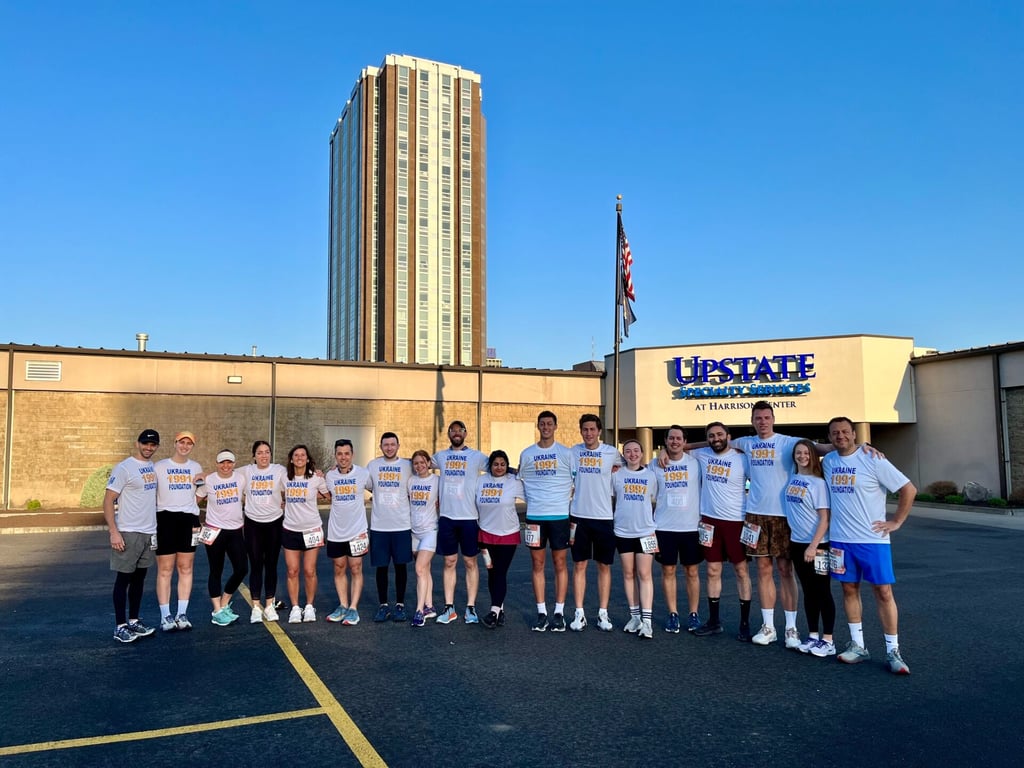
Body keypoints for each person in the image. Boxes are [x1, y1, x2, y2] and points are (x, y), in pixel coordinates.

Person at [824, 416, 916, 675]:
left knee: (883, 592)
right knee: (848, 590)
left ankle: (893, 651)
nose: (840, 436)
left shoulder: (873, 459)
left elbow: (908, 489)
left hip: (872, 540)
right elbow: (812, 448)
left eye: (845, 431)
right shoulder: (829, 461)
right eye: (835, 433)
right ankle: (858, 645)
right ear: (829, 437)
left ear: (854, 434)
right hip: (841, 539)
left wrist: (897, 521)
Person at [691, 422, 754, 641]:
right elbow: (678, 449)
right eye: (711, 436)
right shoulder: (702, 454)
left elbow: (759, 482)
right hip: (709, 521)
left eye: (719, 434)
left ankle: (744, 623)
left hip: (736, 521)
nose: (715, 439)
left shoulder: (742, 458)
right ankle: (714, 621)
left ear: (729, 436)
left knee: (741, 571)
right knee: (712, 570)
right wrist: (662, 454)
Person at [517, 410, 575, 632]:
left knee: (560, 563)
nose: (546, 427)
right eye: (542, 424)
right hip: (535, 517)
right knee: (537, 564)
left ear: (555, 426)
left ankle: (559, 612)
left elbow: (577, 480)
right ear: (538, 426)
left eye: (550, 424)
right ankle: (541, 612)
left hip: (559, 516)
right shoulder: (527, 454)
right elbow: (519, 480)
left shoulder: (566, 453)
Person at [568, 414, 623, 632]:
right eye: (585, 429)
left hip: (603, 517)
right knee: (579, 565)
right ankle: (579, 613)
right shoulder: (573, 452)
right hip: (578, 516)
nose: (589, 433)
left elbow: (630, 465)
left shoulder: (612, 453)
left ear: (599, 431)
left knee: (603, 566)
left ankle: (602, 613)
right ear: (581, 431)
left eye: (592, 429)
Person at [105, 428, 160, 643]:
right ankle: (120, 626)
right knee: (124, 579)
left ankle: (134, 621)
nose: (149, 448)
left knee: (139, 579)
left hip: (148, 532)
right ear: (138, 443)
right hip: (128, 531)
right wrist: (114, 532)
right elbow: (108, 500)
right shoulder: (124, 468)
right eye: (145, 443)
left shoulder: (153, 467)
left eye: (153, 445)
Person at [784, 439, 836, 656]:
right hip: (797, 543)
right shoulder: (793, 478)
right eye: (799, 452)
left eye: (806, 453)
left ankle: (828, 640)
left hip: (818, 545)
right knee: (808, 591)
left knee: (823, 591)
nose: (802, 456)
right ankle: (813, 635)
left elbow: (825, 518)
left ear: (813, 456)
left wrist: (813, 546)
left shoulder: (818, 483)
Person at [433, 420, 488, 625]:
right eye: (453, 430)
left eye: (460, 430)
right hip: (447, 518)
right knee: (449, 562)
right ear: (448, 434)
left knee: (470, 562)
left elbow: (498, 466)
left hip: (469, 518)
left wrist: (520, 472)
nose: (456, 433)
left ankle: (470, 607)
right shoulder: (441, 456)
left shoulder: (476, 456)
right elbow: (417, 462)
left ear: (465, 434)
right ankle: (449, 608)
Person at [651, 425, 703, 633]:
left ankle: (693, 613)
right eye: (671, 438)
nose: (674, 442)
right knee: (668, 570)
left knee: (692, 571)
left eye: (678, 438)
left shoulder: (695, 463)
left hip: (691, 526)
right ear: (665, 441)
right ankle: (673, 613)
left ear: (685, 441)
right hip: (664, 526)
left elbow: (711, 445)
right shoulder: (655, 464)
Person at [154, 431, 203, 632]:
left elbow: (201, 491)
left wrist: (191, 507)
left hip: (189, 520)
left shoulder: (196, 467)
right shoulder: (160, 467)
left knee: (186, 567)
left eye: (189, 443)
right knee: (165, 569)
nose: (185, 446)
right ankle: (165, 616)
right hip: (165, 519)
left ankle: (181, 614)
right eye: (182, 442)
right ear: (175, 443)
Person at [195, 450, 248, 626]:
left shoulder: (240, 478)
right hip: (214, 530)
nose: (226, 466)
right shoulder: (209, 480)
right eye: (222, 462)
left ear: (234, 464)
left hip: (235, 530)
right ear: (216, 464)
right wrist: (194, 521)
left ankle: (224, 603)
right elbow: (194, 500)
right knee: (215, 570)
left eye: (229, 462)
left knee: (242, 569)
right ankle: (217, 611)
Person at [613, 440, 659, 639]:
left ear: (642, 453)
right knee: (628, 573)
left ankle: (647, 622)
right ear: (623, 454)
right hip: (623, 531)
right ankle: (634, 617)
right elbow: (611, 498)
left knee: (644, 574)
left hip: (646, 531)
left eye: (636, 451)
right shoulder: (616, 475)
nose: (632, 454)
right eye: (628, 451)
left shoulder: (651, 475)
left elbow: (657, 499)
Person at [366, 432, 414, 623]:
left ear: (398, 446)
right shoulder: (373, 465)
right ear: (380, 447)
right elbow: (363, 482)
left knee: (401, 567)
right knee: (382, 568)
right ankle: (383, 605)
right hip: (380, 526)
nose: (389, 448)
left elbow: (423, 474)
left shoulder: (407, 465)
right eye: (385, 445)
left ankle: (400, 605)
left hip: (401, 525)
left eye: (392, 444)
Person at [475, 450, 525, 629]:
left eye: (503, 464)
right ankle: (499, 610)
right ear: (490, 465)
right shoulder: (480, 481)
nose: (499, 467)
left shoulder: (514, 482)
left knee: (500, 572)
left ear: (507, 466)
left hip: (508, 535)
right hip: (485, 534)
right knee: (491, 572)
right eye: (496, 464)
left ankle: (493, 611)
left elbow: (533, 495)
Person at [323, 439, 371, 625]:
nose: (343, 457)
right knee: (339, 568)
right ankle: (343, 605)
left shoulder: (363, 474)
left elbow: (380, 488)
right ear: (335, 455)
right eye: (340, 454)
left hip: (357, 530)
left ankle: (353, 608)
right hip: (336, 532)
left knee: (356, 568)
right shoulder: (329, 476)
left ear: (352, 454)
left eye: (347, 453)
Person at [281, 445, 329, 623]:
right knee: (292, 570)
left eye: (303, 455)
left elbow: (328, 495)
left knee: (309, 570)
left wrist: (328, 473)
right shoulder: (284, 477)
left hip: (312, 529)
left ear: (308, 459)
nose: (299, 458)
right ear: (291, 459)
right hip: (290, 529)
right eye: (296, 455)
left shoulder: (316, 478)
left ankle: (309, 606)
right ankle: (295, 607)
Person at [241, 441, 287, 623]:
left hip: (274, 522)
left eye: (267, 452)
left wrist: (319, 473)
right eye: (259, 452)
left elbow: (299, 477)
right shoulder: (246, 471)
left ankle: (269, 605)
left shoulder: (279, 470)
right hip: (253, 523)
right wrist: (202, 475)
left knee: (271, 565)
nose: (264, 456)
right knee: (256, 565)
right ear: (254, 456)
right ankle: (255, 607)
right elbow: (224, 474)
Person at [409, 449, 440, 627]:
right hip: (414, 532)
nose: (419, 466)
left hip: (430, 531)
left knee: (419, 569)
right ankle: (429, 606)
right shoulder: (411, 481)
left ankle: (419, 611)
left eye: (422, 462)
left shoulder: (436, 481)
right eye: (416, 463)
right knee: (425, 570)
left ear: (429, 463)